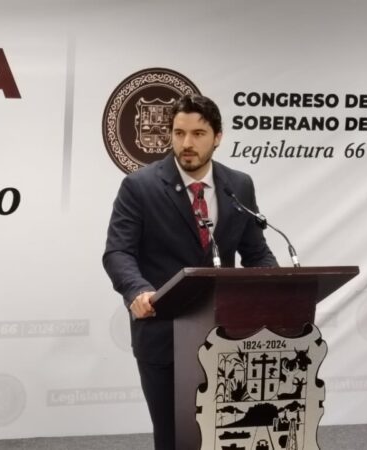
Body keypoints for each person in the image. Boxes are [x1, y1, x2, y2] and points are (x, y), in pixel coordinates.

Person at [103, 93, 278, 449]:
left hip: (228, 336)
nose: (186, 143)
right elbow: (118, 251)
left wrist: (279, 291)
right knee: (174, 437)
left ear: (218, 137)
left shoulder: (238, 185)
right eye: (179, 133)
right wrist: (137, 290)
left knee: (226, 435)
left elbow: (256, 253)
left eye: (198, 134)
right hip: (164, 335)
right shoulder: (140, 186)